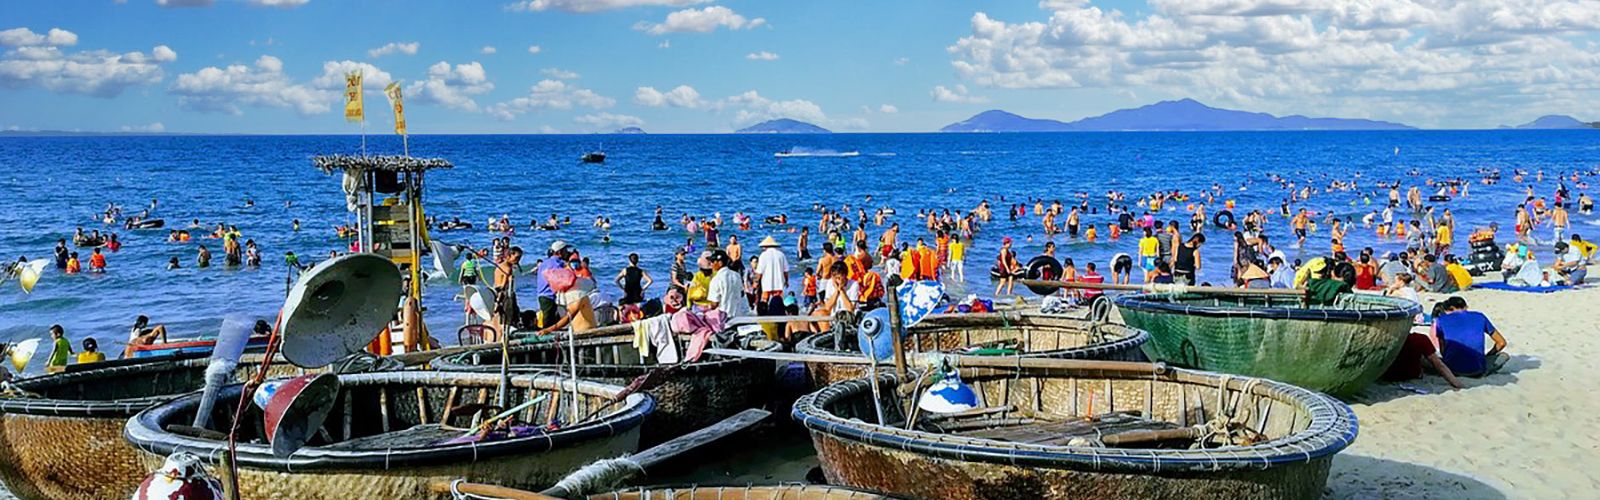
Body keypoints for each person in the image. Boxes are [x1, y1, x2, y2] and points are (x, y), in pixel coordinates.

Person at [1383, 307, 1464, 389]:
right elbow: (1439, 365)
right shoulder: (1420, 339)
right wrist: (1456, 383)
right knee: (1430, 359)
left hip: (1387, 376)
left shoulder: (1385, 340)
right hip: (1411, 375)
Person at [1433, 297, 1509, 377]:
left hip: (1450, 370)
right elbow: (1501, 343)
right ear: (1465, 307)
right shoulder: (1480, 316)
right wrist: (1487, 356)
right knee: (1503, 356)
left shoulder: (1441, 320)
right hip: (1477, 370)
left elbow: (1443, 350)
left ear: (1451, 308)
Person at [534, 256, 597, 337]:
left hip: (587, 332)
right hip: (576, 332)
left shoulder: (579, 293)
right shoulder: (568, 293)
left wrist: (548, 330)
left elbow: (568, 317)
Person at [534, 241, 574, 329]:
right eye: (565, 250)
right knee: (548, 322)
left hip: (543, 294)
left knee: (550, 318)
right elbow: (564, 277)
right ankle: (546, 338)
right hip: (548, 295)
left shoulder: (546, 262)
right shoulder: (555, 264)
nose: (567, 252)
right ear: (559, 252)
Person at [704, 250, 750, 319]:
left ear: (720, 263)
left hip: (723, 318)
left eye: (713, 261)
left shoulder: (716, 280)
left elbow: (714, 304)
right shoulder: (736, 275)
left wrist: (705, 308)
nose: (711, 264)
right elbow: (742, 293)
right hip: (738, 316)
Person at [753, 236, 790, 320]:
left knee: (764, 300)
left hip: (767, 283)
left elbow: (759, 272)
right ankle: (779, 316)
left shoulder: (763, 255)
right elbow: (786, 270)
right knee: (778, 301)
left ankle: (763, 316)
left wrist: (755, 282)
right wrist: (787, 281)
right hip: (779, 282)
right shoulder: (781, 255)